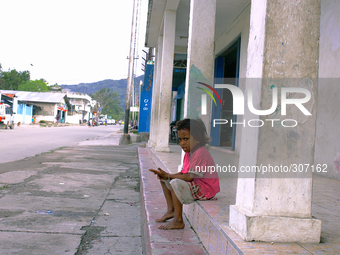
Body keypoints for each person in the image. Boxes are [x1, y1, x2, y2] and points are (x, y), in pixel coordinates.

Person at [149, 118, 220, 230]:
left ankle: (178, 220)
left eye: (186, 139)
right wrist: (166, 175)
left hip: (206, 189)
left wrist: (169, 176)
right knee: (164, 179)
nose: (182, 143)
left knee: (175, 182)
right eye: (180, 139)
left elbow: (190, 177)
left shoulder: (200, 153)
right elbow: (183, 172)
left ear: (198, 138)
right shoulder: (189, 152)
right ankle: (171, 210)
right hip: (197, 185)